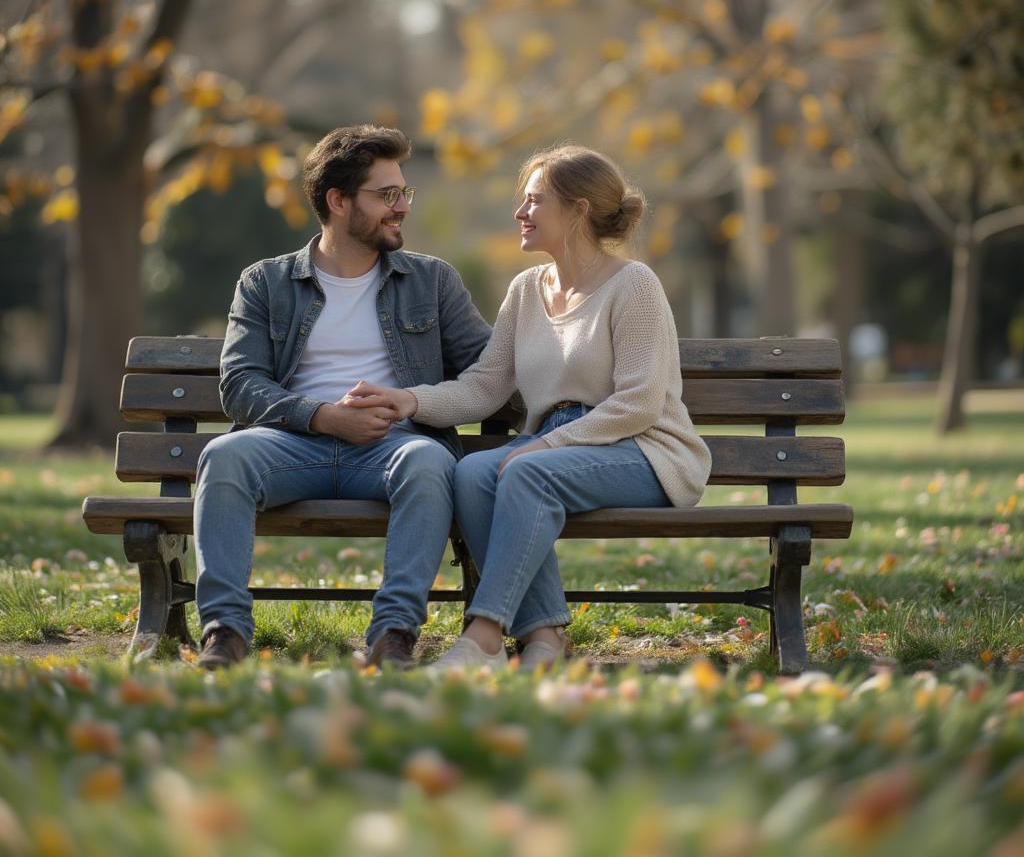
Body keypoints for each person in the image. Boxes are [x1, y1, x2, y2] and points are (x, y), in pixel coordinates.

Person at [352, 145, 712, 671]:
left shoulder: (634, 284)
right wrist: (411, 400)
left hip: (646, 450)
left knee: (527, 473)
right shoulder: (525, 290)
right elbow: (485, 386)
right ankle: (543, 639)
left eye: (534, 201)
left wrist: (544, 444)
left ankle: (484, 637)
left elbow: (638, 403)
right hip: (557, 449)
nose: (519, 213)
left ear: (579, 210)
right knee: (474, 473)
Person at [193, 125, 491, 671]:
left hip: (391, 449)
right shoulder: (266, 282)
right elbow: (240, 383)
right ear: (338, 200)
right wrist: (323, 417)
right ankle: (225, 633)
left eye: (405, 193)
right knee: (223, 455)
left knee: (429, 461)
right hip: (291, 444)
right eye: (387, 195)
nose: (401, 207)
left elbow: (491, 371)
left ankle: (394, 634)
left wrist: (414, 400)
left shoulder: (432, 281)